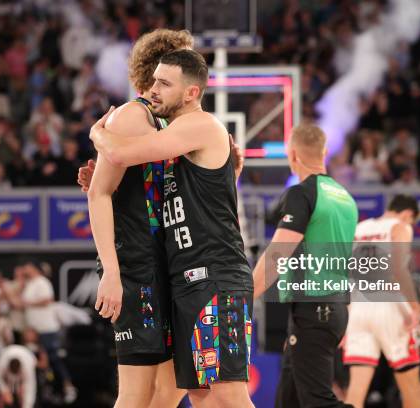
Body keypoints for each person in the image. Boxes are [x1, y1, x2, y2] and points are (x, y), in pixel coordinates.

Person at [90, 49, 253, 407]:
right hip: (186, 279)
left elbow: (119, 154)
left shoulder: (199, 125)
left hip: (215, 276)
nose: (153, 89)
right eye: (153, 80)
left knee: (227, 393)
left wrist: (98, 135)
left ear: (192, 93)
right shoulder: (178, 137)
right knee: (199, 393)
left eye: (164, 83)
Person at [83, 28, 193, 408]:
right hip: (134, 264)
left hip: (167, 264)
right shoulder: (132, 116)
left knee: (169, 391)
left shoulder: (169, 124)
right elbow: (99, 193)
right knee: (135, 394)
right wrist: (111, 272)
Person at [252, 123, 358, 407]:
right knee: (289, 399)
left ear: (292, 154)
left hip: (315, 310)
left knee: (317, 401)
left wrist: (243, 295)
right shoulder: (345, 198)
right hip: (331, 311)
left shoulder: (302, 194)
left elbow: (278, 254)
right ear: (324, 152)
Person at [343, 195, 420, 408]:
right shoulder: (400, 227)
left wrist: (346, 316)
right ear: (408, 214)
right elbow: (398, 269)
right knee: (411, 387)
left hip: (359, 309)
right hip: (390, 307)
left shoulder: (359, 228)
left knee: (355, 392)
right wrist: (415, 308)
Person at [19, 262, 77, 403]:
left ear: (33, 268)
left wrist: (29, 304)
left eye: (26, 267)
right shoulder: (30, 284)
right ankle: (46, 391)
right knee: (40, 363)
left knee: (53, 359)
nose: (24, 269)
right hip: (35, 331)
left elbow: (48, 300)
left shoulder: (42, 282)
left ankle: (68, 387)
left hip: (47, 329)